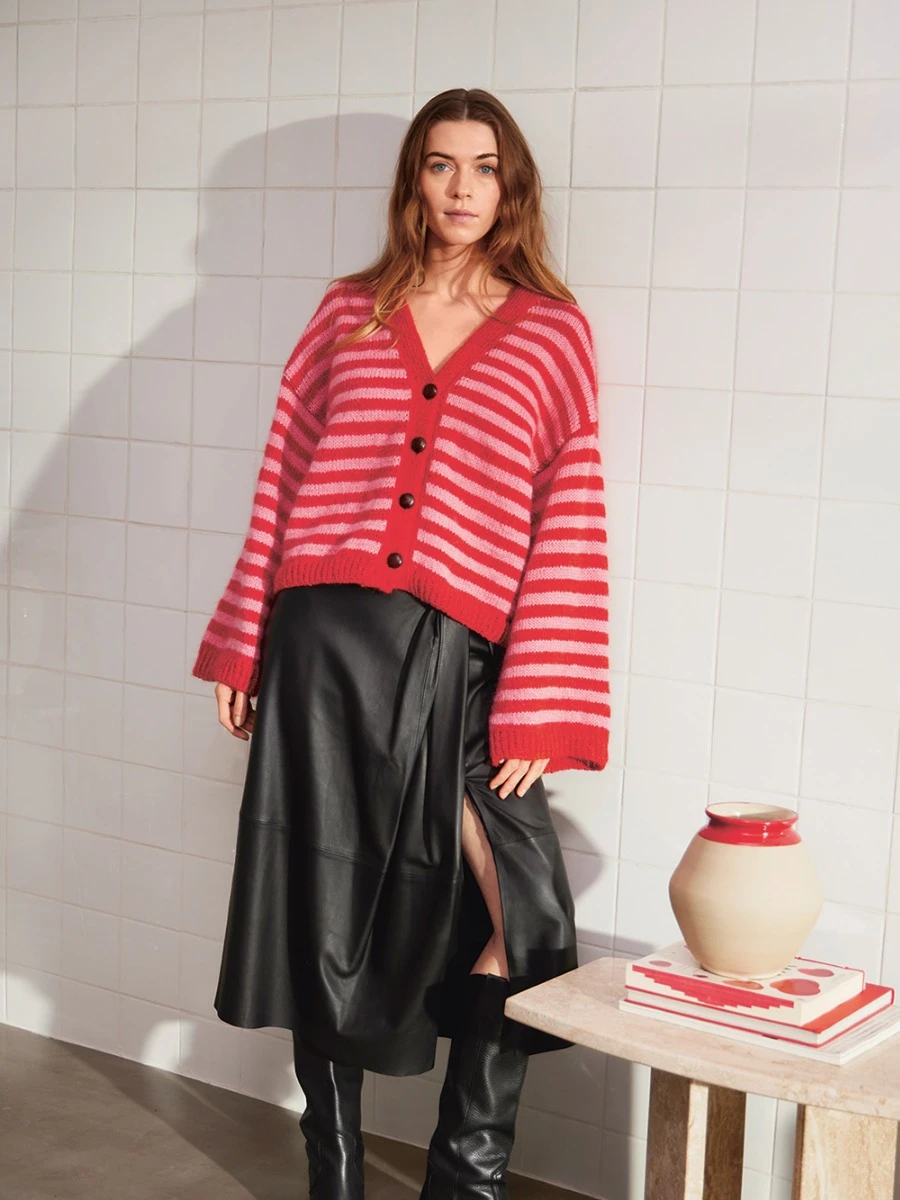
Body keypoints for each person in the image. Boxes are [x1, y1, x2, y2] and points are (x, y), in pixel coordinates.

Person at [191, 86, 610, 1200]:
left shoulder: (551, 331)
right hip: (324, 645)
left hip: (457, 654)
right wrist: (243, 640)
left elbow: (569, 514)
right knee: (323, 911)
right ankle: (331, 1171)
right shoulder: (347, 312)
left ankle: (462, 1181)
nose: (462, 187)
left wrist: (540, 700)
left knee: (526, 918)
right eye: (440, 164)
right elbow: (283, 478)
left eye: (484, 166)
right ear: (414, 181)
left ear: (512, 186)